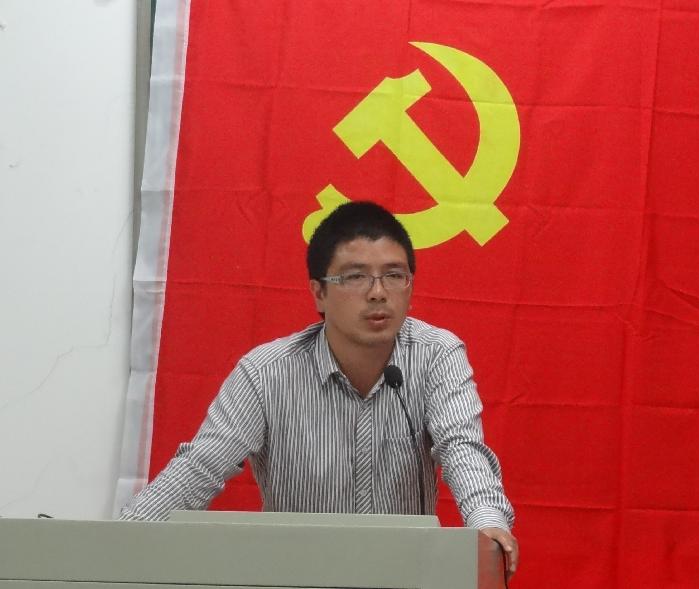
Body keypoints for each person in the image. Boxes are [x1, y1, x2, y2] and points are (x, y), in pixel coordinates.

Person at [120, 201, 518, 577]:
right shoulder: (267, 373)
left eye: (394, 275)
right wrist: (122, 540)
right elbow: (202, 466)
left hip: (405, 577)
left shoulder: (437, 356)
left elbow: (461, 447)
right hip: (295, 577)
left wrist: (487, 522)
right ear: (319, 293)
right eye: (355, 277)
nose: (378, 292)